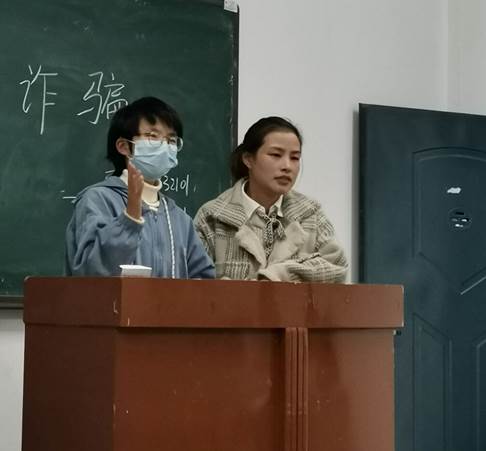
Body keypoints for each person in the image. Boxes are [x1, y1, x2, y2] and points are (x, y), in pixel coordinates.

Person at [65, 96, 215, 279]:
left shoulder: (178, 218)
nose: (164, 146)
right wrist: (130, 218)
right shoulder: (98, 200)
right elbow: (91, 270)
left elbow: (203, 278)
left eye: (171, 140)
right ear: (124, 146)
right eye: (152, 136)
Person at [194, 116, 347, 282]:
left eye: (295, 158)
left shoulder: (311, 214)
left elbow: (337, 266)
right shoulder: (212, 217)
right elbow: (194, 282)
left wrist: (280, 274)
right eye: (276, 155)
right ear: (248, 159)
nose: (287, 166)